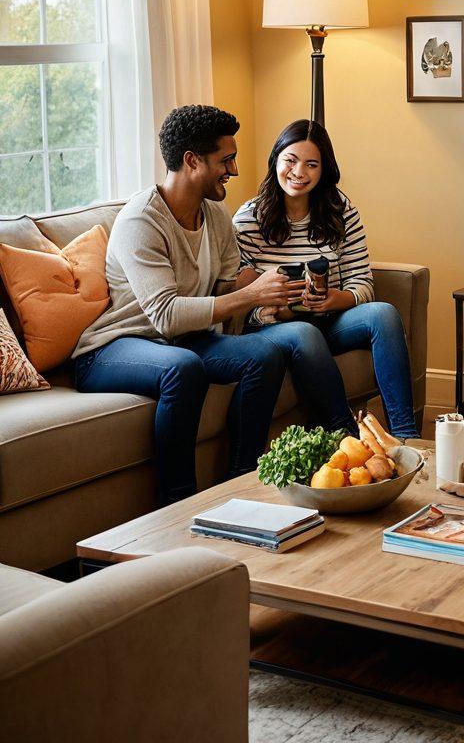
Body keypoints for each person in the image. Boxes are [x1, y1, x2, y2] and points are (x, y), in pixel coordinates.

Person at [73, 105, 305, 504]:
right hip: (115, 347)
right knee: (184, 368)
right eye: (225, 160)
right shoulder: (141, 222)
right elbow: (164, 316)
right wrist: (248, 294)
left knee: (265, 354)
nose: (233, 170)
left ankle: (244, 479)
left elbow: (224, 287)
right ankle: (177, 502)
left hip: (186, 338)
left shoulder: (215, 213)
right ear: (192, 161)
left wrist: (260, 286)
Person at [233, 119, 419, 440]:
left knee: (384, 314)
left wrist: (336, 299)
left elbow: (362, 282)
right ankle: (346, 438)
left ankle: (406, 437)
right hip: (276, 329)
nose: (299, 172)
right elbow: (242, 302)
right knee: (304, 332)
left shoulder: (340, 211)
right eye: (290, 160)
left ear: (324, 170)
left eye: (311, 164)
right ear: (275, 159)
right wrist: (282, 310)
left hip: (329, 320)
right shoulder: (249, 219)